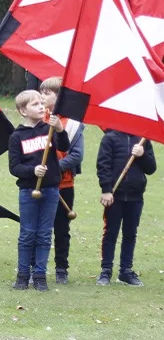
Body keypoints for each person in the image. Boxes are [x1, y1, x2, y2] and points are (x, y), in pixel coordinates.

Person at [8, 90, 68, 291]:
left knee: (44, 234)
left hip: (51, 190)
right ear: (23, 111)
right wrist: (33, 170)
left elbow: (64, 146)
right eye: (35, 104)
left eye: (42, 103)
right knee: (27, 234)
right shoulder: (17, 136)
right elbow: (14, 168)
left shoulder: (48, 129)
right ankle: (22, 275)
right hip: (28, 191)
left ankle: (40, 275)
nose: (41, 107)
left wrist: (60, 130)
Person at [39, 77, 84, 284]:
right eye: (41, 92)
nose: (42, 96)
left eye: (47, 93)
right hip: (40, 184)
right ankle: (36, 267)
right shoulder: (38, 120)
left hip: (64, 185)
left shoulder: (73, 124)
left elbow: (76, 156)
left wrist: (55, 170)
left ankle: (61, 269)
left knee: (61, 229)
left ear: (59, 98)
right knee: (40, 228)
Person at [96, 130, 155, 286]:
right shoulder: (110, 138)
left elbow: (151, 168)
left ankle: (126, 271)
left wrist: (142, 154)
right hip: (115, 195)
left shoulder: (143, 139)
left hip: (136, 196)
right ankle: (106, 270)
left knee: (130, 233)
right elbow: (103, 165)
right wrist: (106, 190)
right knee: (111, 233)